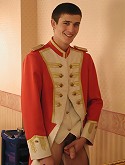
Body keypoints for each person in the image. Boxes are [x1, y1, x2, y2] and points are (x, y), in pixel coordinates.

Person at [21, 2, 103, 165]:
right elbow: (31, 107)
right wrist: (41, 152)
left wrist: (85, 137)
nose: (71, 30)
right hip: (50, 139)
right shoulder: (35, 58)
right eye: (66, 23)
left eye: (76, 24)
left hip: (77, 138)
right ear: (53, 23)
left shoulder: (85, 59)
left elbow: (95, 101)